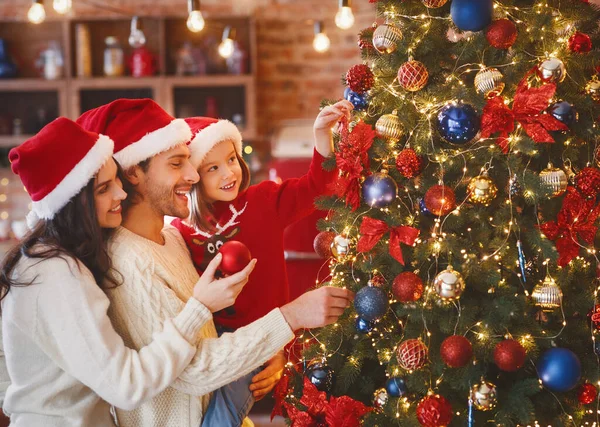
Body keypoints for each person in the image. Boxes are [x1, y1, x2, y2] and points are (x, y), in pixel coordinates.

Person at [76, 98, 353, 427]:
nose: (192, 175)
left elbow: (209, 340)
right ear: (135, 171)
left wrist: (270, 349)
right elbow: (196, 371)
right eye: (178, 163)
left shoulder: (172, 240)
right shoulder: (136, 261)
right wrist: (288, 319)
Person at [0, 117, 252, 426]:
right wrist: (199, 308)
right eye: (104, 188)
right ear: (73, 203)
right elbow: (126, 385)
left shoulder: (60, 260)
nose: (121, 194)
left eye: (116, 181)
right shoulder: (55, 274)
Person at [171, 99, 353, 399]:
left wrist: (321, 134)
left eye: (231, 159)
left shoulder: (263, 201)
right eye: (212, 168)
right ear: (192, 176)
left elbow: (315, 188)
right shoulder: (181, 231)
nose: (228, 173)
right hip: (217, 352)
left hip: (273, 340)